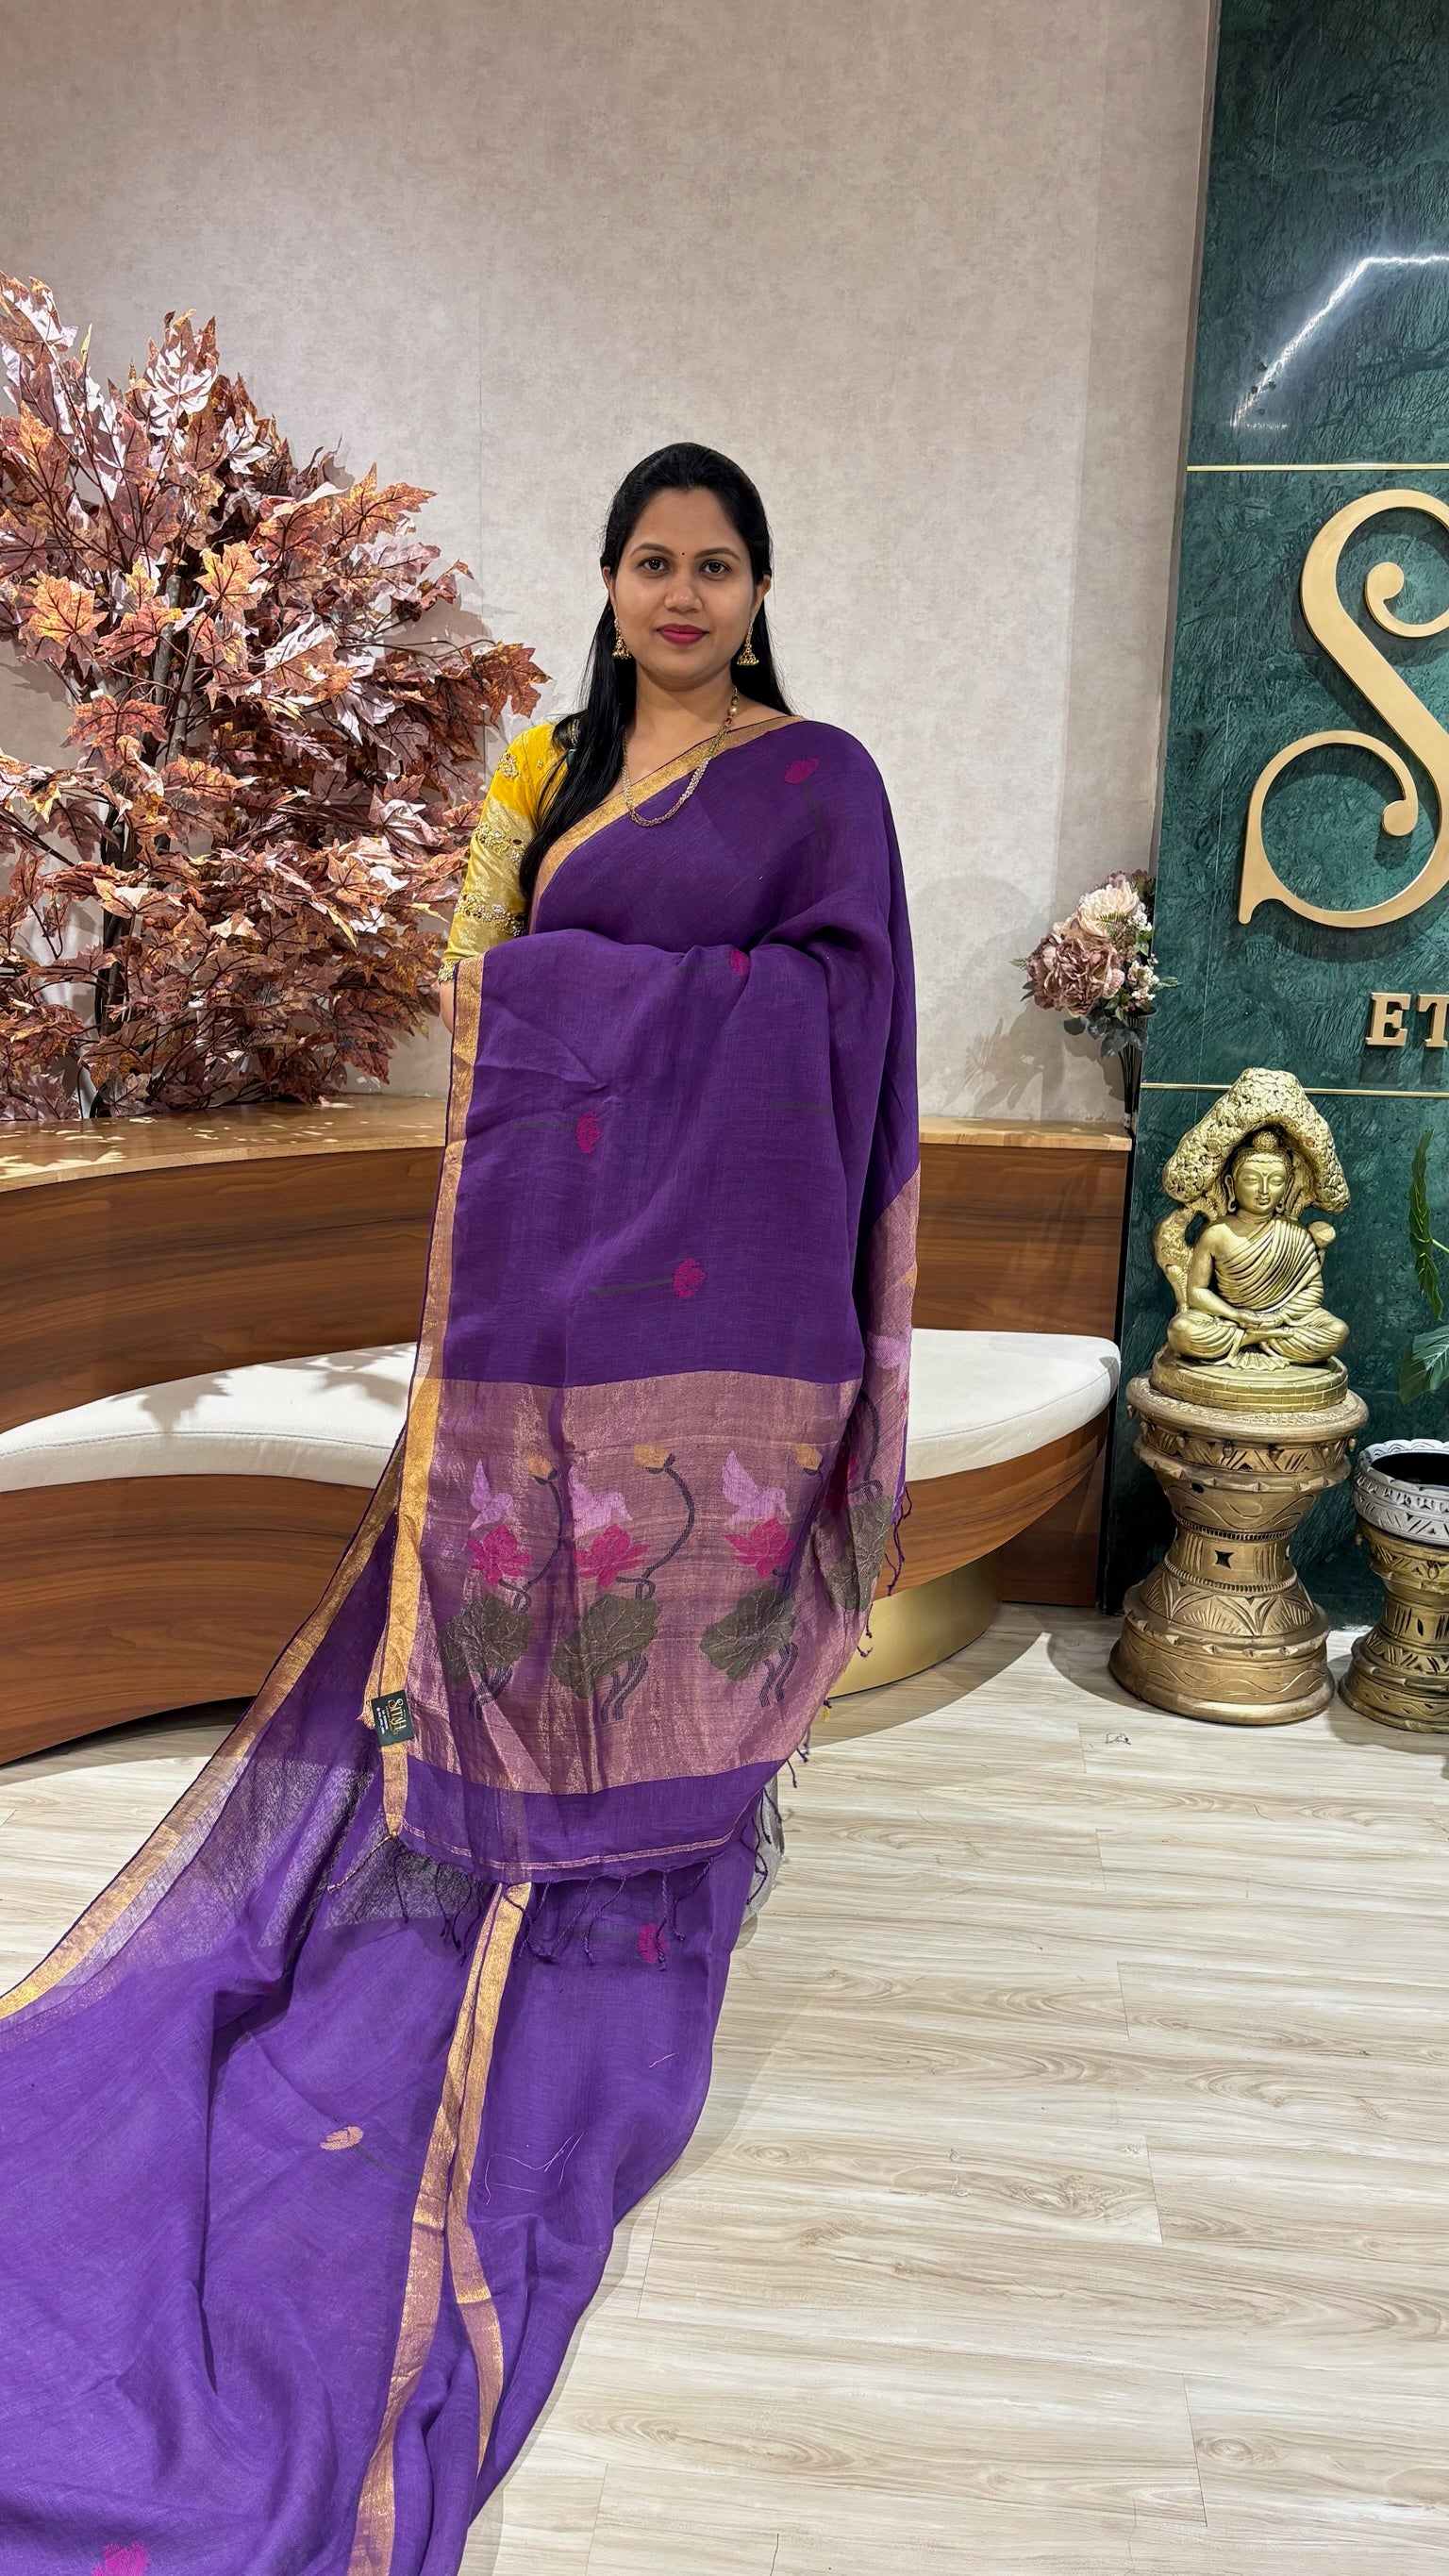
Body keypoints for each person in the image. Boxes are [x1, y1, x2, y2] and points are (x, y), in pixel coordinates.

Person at [0, 443, 917, 2575]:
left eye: (716, 565)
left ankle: (622, 1912)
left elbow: (840, 1019)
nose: (681, 594)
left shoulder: (819, 785)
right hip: (539, 1307)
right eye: (651, 561)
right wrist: (525, 1002)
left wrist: (577, 1000)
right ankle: (481, 1866)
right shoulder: (548, 780)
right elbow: (471, 1011)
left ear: (759, 589)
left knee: (657, 1621)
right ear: (606, 581)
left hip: (713, 1307)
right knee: (502, 1621)